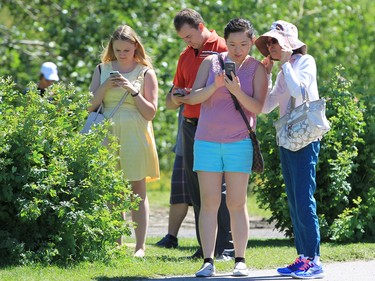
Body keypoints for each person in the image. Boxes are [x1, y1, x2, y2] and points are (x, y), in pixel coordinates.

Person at [176, 18, 268, 277]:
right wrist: (214, 86)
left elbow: (258, 108)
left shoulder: (257, 69)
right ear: (224, 42)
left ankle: (240, 260)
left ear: (251, 41)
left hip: (239, 143)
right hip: (206, 142)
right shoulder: (211, 62)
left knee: (237, 204)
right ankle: (208, 261)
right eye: (232, 44)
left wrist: (236, 91)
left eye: (243, 43)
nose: (237, 49)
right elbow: (192, 99)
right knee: (209, 203)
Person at [255, 20, 325, 279]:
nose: (270, 46)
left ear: (288, 43)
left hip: (306, 140)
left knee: (304, 198)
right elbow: (265, 107)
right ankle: (303, 257)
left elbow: (300, 91)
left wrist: (284, 64)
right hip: (288, 139)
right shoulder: (284, 70)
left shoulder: (306, 62)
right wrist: (270, 74)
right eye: (268, 42)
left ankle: (314, 260)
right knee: (295, 201)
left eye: (274, 41)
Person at [167, 8, 234, 260]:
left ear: (201, 26)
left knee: (221, 187)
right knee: (197, 189)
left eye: (189, 36)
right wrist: (176, 96)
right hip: (190, 123)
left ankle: (226, 247)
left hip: (217, 125)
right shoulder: (185, 56)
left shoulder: (223, 47)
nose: (187, 42)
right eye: (183, 38)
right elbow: (172, 96)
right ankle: (205, 247)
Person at [88, 24, 159, 258]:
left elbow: (151, 112)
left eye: (126, 50)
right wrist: (106, 85)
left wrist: (132, 90)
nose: (122, 54)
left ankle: (140, 246)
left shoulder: (145, 72)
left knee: (137, 190)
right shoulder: (102, 69)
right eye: (117, 50)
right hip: (107, 133)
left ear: (135, 47)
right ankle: (115, 243)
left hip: (136, 133)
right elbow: (90, 106)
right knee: (112, 191)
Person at [155, 104, 192, 249]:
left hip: (208, 144)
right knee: (179, 194)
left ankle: (211, 242)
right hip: (183, 145)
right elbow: (170, 101)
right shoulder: (182, 80)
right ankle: (171, 237)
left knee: (206, 199)